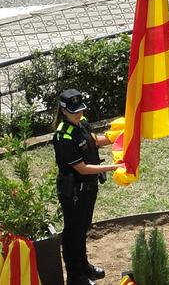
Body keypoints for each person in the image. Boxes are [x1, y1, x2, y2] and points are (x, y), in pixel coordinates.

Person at [53, 89, 122, 285]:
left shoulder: (82, 123)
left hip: (89, 188)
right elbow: (82, 169)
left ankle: (84, 267)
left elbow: (94, 142)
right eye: (74, 111)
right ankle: (75, 276)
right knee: (73, 233)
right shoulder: (63, 136)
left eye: (80, 110)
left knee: (83, 229)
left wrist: (117, 137)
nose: (79, 114)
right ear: (64, 111)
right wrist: (116, 167)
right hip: (73, 191)